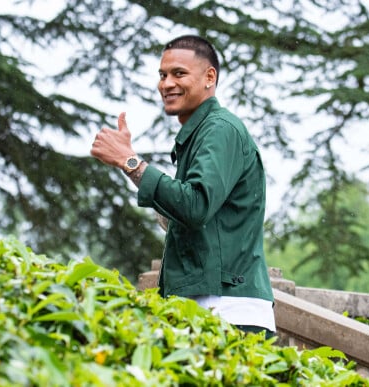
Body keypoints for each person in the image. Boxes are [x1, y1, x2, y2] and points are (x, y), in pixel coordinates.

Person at [90, 35, 275, 338]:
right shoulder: (203, 132)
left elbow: (195, 206)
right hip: (209, 305)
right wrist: (131, 167)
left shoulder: (219, 129)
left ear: (209, 77)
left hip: (226, 310)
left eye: (179, 73)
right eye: (162, 75)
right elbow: (189, 214)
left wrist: (131, 161)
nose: (166, 84)